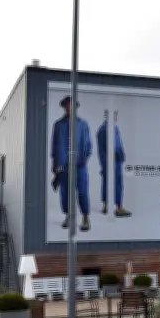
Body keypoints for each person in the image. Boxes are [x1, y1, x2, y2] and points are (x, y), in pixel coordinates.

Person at [51, 96, 92, 231]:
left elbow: (88, 144)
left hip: (79, 165)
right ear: (64, 107)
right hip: (64, 165)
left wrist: (84, 158)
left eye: (71, 105)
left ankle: (85, 218)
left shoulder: (83, 124)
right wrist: (55, 167)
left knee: (82, 192)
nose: (69, 107)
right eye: (67, 105)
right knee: (65, 193)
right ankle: (69, 216)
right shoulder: (58, 125)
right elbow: (54, 146)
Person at [97, 111, 132, 217]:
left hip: (117, 161)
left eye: (116, 116)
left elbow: (118, 143)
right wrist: (104, 164)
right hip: (109, 161)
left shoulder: (115, 128)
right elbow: (101, 150)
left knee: (115, 182)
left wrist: (121, 154)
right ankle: (117, 207)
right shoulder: (103, 130)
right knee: (111, 182)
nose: (115, 118)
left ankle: (108, 205)